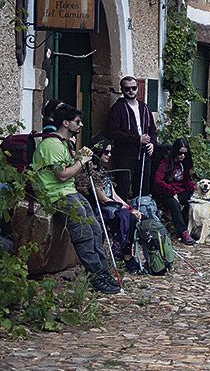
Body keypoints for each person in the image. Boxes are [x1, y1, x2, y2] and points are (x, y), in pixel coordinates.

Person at [32, 104, 119, 294]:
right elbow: (62, 175)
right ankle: (95, 274)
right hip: (55, 194)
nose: (80, 126)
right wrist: (81, 161)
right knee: (83, 231)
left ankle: (102, 271)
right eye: (77, 122)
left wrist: (78, 157)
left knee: (95, 228)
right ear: (65, 123)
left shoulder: (64, 143)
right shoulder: (51, 145)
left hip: (69, 191)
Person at [79, 138, 143, 274]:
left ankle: (126, 253)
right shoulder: (90, 172)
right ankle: (121, 251)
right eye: (106, 152)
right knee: (127, 217)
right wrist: (123, 208)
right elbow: (103, 198)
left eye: (110, 152)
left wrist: (130, 208)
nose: (109, 155)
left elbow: (114, 195)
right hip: (100, 208)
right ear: (98, 152)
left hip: (112, 205)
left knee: (134, 217)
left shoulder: (103, 169)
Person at [107, 75, 157, 200]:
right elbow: (113, 132)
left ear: (137, 89)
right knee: (123, 185)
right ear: (122, 90)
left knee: (143, 185)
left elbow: (152, 130)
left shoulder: (144, 107)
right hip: (125, 154)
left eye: (133, 88)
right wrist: (137, 139)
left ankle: (142, 212)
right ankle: (123, 214)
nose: (131, 91)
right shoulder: (117, 108)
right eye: (127, 88)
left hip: (144, 152)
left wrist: (152, 143)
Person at [153, 138, 196, 245]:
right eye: (180, 153)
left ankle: (188, 227)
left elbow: (188, 181)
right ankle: (183, 233)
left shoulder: (184, 163)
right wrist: (172, 191)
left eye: (185, 153)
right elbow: (158, 180)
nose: (182, 156)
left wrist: (196, 192)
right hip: (166, 192)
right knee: (174, 204)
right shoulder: (166, 162)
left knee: (192, 201)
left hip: (180, 191)